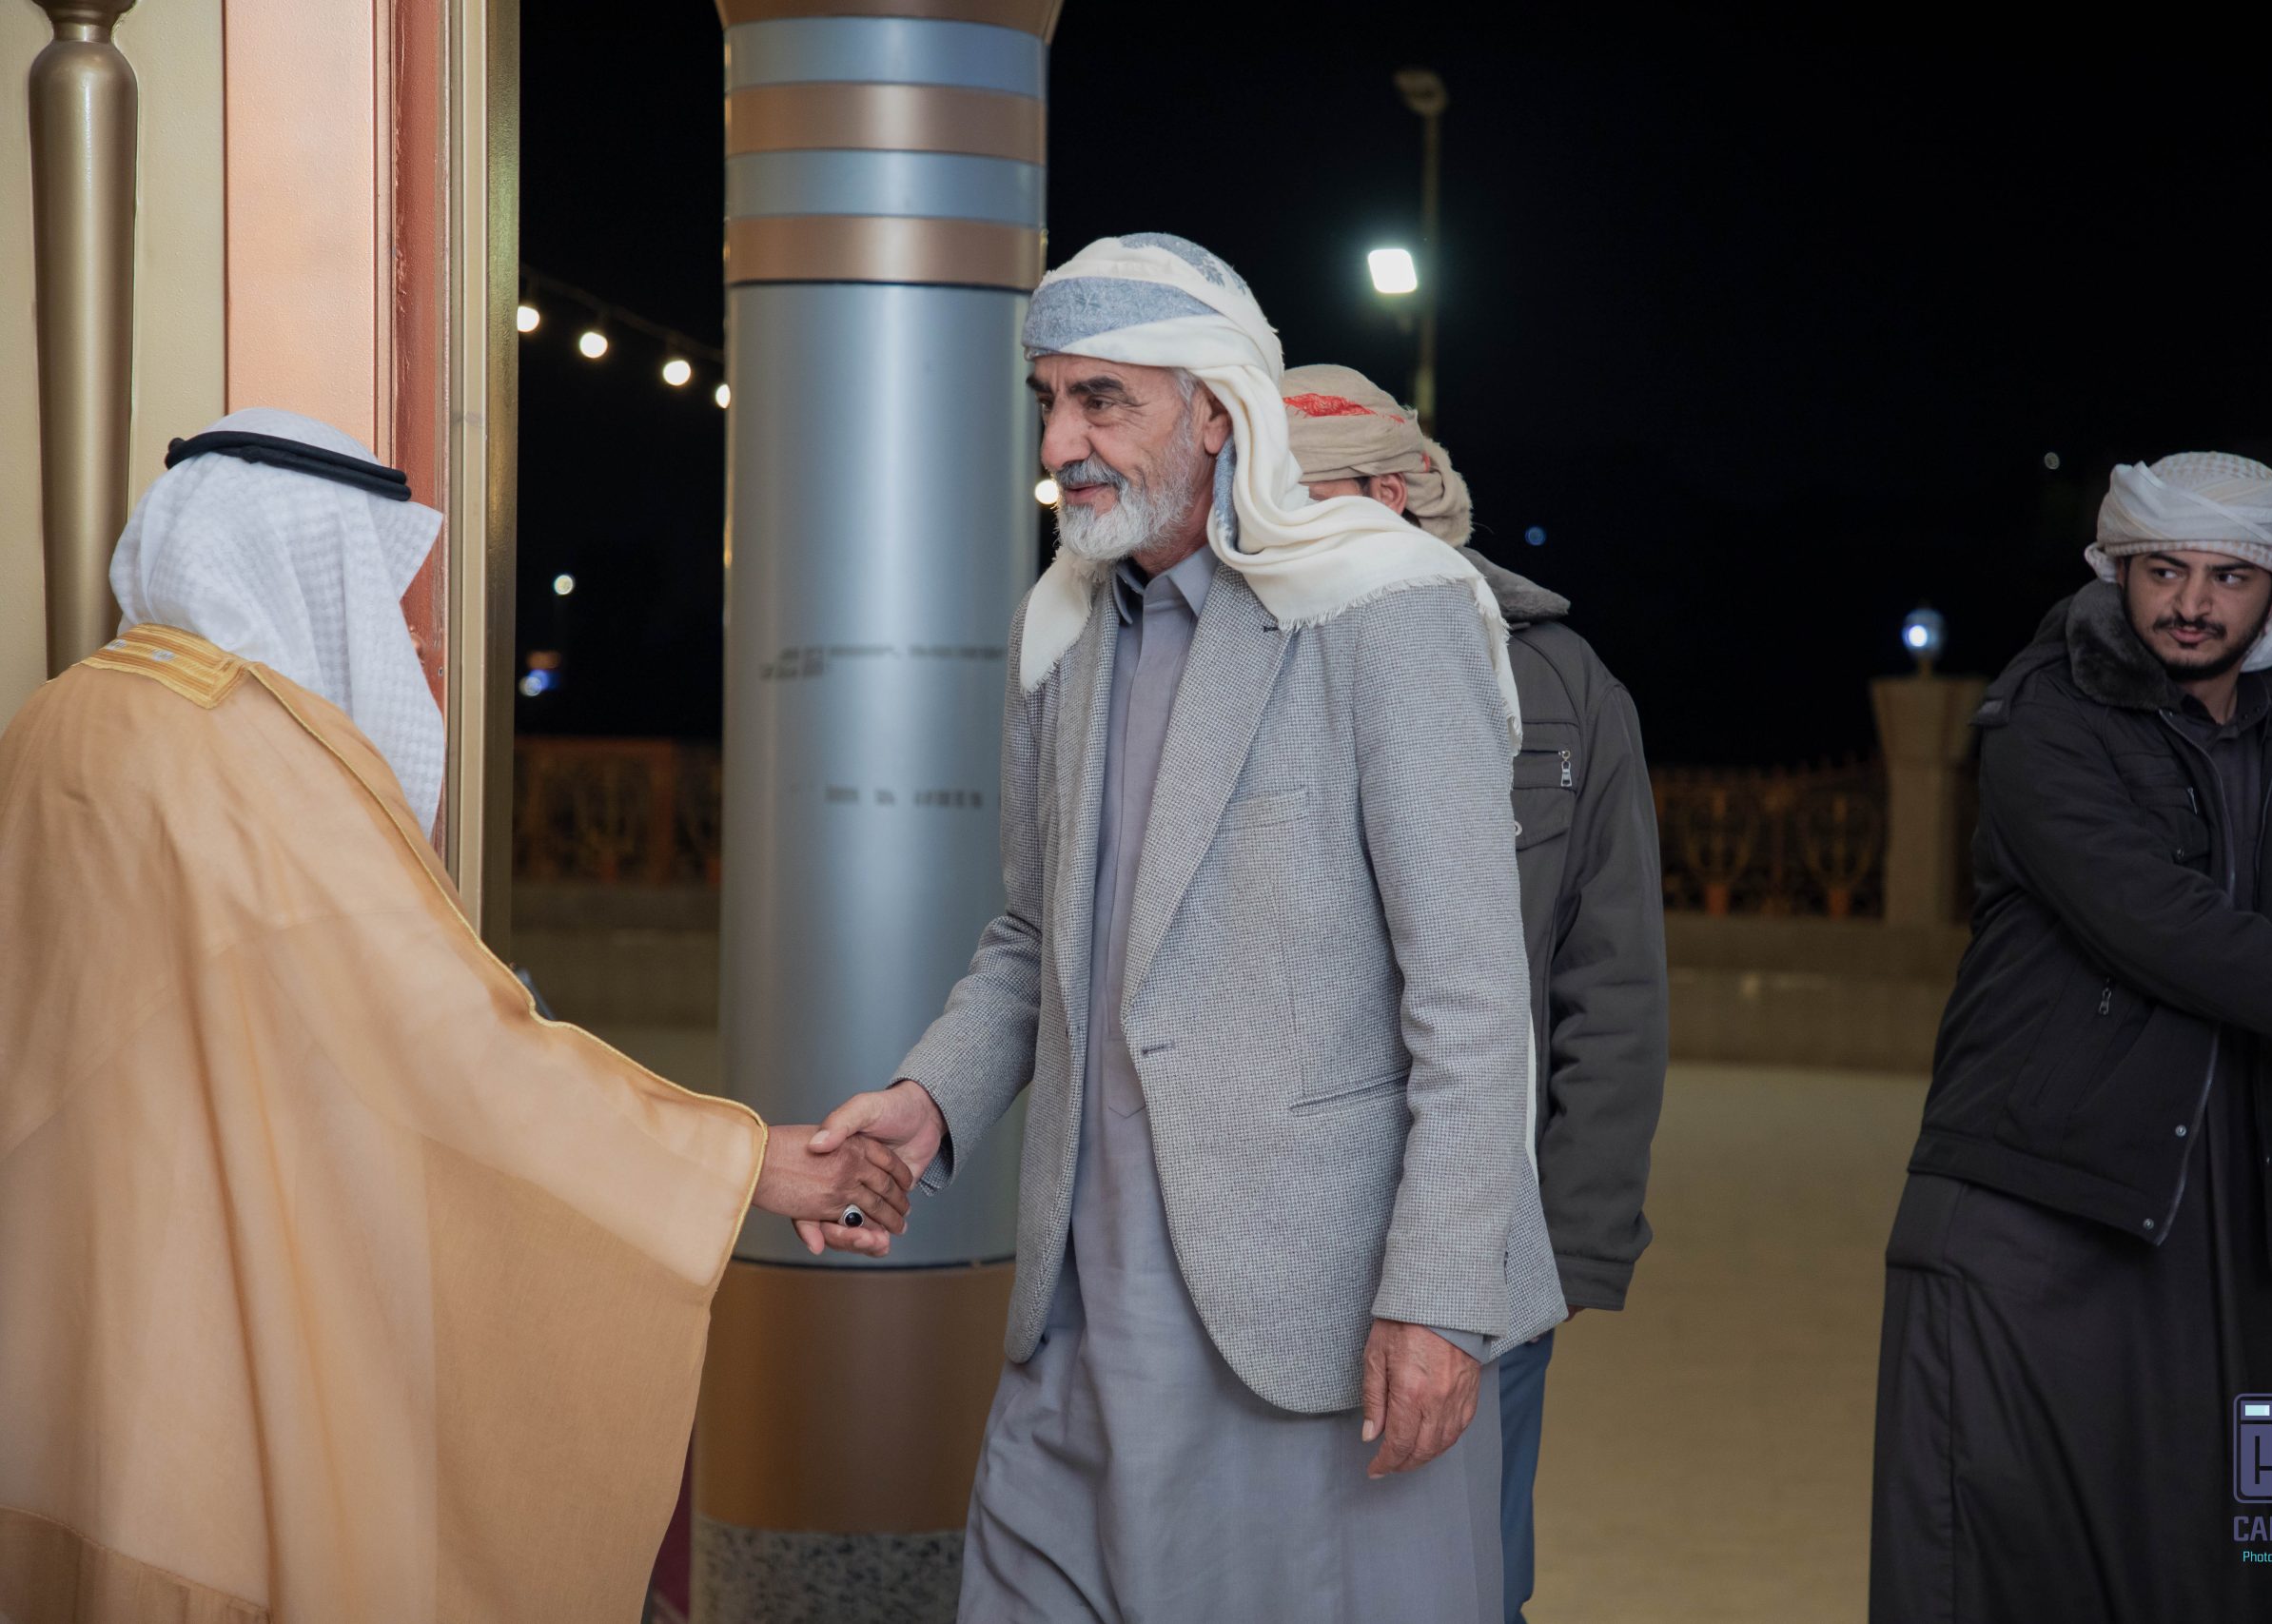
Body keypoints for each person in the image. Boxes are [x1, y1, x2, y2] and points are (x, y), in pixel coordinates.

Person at [0, 410, 908, 1624]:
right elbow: (454, 1058)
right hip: (201, 1355)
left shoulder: (57, 719)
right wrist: (748, 1163)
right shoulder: (247, 761)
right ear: (301, 557)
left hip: (54, 1340)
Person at [810, 235, 1565, 1622]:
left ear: (1218, 411)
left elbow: (1470, 999)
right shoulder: (1060, 632)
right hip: (1077, 1327)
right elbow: (1033, 936)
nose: (1062, 444)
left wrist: (1441, 1296)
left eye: (1104, 400)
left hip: (1314, 1333)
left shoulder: (1386, 608)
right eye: (1050, 401)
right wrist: (931, 1098)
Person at [1869, 452, 2272, 1624]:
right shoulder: (2042, 716)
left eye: (2228, 576)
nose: (2190, 602)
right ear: (2116, 569)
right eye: (2163, 569)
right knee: (2001, 1579)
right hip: (2037, 1222)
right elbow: (2162, 928)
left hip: (2253, 1240)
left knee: (2247, 1568)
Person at [1284, 364, 1666, 1624]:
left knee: (1462, 1582)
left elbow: (1612, 980)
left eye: (1302, 496)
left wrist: (1575, 1234)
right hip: (1271, 1232)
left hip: (1481, 1235)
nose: (1262, 529)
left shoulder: (1561, 684)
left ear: (1394, 496)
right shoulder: (1224, 656)